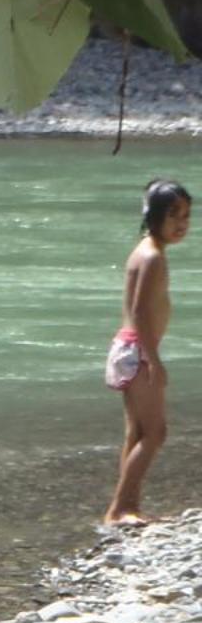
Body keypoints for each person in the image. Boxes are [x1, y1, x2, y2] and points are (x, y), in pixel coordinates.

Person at [106, 179, 191, 525]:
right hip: (138, 351)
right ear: (153, 216)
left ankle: (127, 505)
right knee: (155, 433)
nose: (182, 224)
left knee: (138, 432)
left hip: (127, 347)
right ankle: (120, 508)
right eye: (174, 216)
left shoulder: (144, 249)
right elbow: (141, 311)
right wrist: (154, 361)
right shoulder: (153, 256)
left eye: (187, 216)